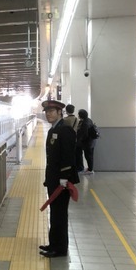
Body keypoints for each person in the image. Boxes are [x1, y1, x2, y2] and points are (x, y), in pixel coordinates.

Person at [39, 100, 79, 257]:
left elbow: (68, 156)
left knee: (60, 214)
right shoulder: (53, 130)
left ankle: (60, 249)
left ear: (59, 112)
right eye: (47, 112)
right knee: (55, 213)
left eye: (51, 111)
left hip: (62, 181)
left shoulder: (65, 130)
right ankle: (53, 244)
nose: (48, 114)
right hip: (54, 180)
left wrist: (64, 178)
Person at [76, 108, 96, 175]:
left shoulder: (85, 123)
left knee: (88, 156)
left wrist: (80, 140)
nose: (78, 116)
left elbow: (85, 134)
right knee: (90, 155)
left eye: (79, 115)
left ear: (81, 115)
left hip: (87, 143)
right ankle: (90, 168)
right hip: (92, 141)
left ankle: (90, 170)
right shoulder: (89, 120)